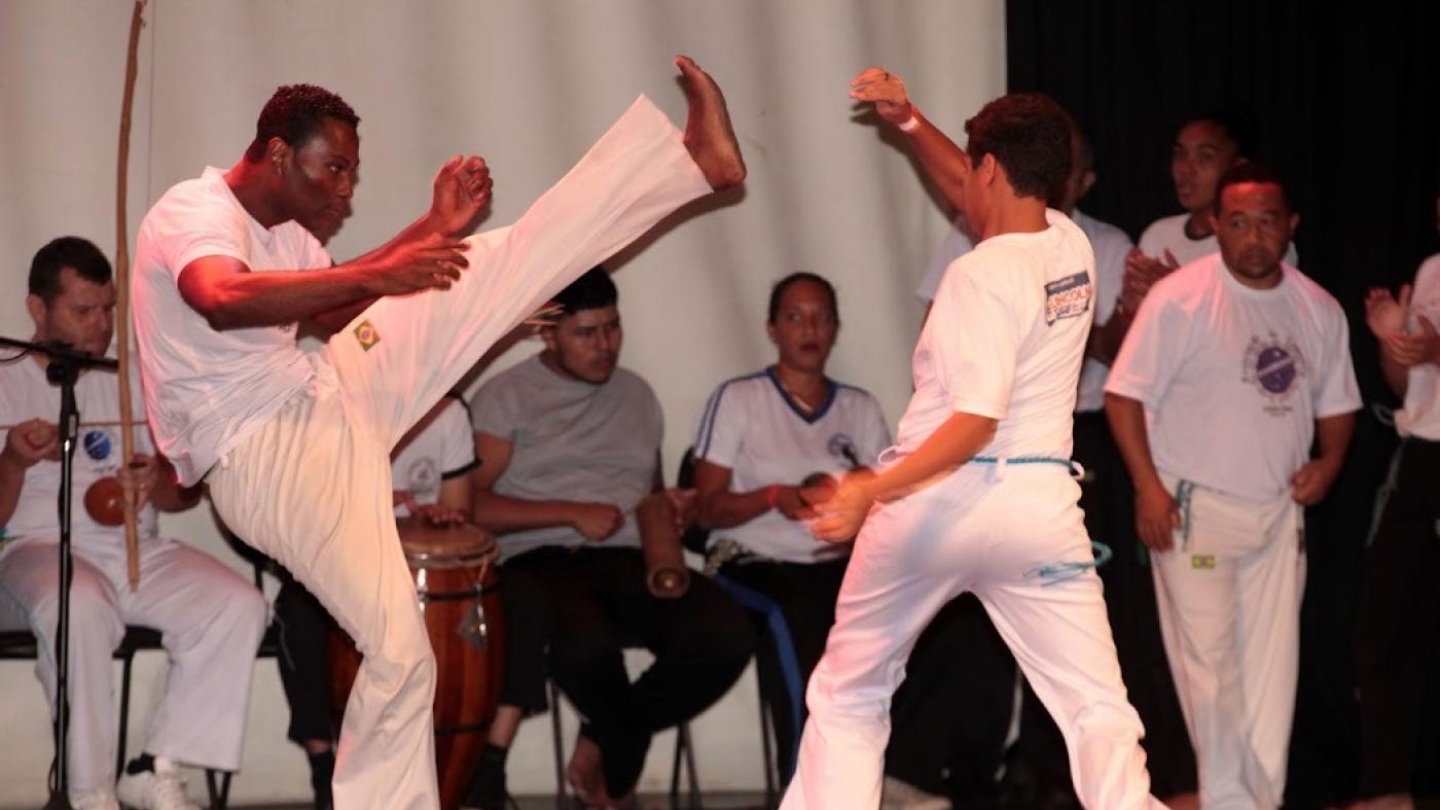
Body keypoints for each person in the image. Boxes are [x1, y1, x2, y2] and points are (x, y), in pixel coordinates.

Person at [129, 56, 746, 810]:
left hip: (322, 395)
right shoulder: (194, 211)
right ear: (279, 154)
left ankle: (689, 168)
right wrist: (382, 274)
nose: (345, 190)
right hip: (264, 456)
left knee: (476, 264)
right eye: (334, 169)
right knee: (400, 657)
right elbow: (221, 297)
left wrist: (432, 231)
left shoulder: (286, 236)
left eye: (353, 173)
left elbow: (334, 312)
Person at [779, 69, 1163, 810]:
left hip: (935, 502)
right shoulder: (1072, 246)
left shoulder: (977, 275)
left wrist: (868, 489)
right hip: (1039, 510)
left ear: (990, 167)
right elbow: (971, 185)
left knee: (852, 690)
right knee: (1096, 706)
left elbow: (974, 421)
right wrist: (908, 120)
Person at [1106, 162, 1360, 810]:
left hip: (1278, 515)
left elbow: (1338, 403)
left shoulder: (1318, 307)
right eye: (1238, 223)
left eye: (1266, 222)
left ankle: (1261, 800)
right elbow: (1123, 396)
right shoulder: (1180, 299)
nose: (1252, 237)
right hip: (1193, 510)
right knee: (1210, 670)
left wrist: (1330, 463)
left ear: (1290, 225)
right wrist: (1148, 489)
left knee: (1273, 672)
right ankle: (1227, 801)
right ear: (1216, 225)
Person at [466, 267, 754, 810]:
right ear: (546, 333)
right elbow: (469, 506)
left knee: (727, 633)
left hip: (627, 561)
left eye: (612, 327)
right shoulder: (506, 398)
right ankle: (617, 782)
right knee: (585, 649)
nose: (604, 346)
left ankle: (607, 736)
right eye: (585, 333)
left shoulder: (637, 395)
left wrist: (672, 509)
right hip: (542, 562)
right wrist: (569, 512)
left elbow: (650, 495)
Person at [0, 236, 267, 810]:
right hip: (34, 549)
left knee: (237, 605)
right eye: (84, 311)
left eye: (109, 309)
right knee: (80, 606)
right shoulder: (4, 377)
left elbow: (181, 496)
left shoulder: (138, 372)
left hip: (131, 548)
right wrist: (13, 463)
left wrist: (157, 482)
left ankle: (156, 767)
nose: (102, 326)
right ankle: (90, 791)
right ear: (37, 309)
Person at [689, 272, 891, 783]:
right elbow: (705, 510)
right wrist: (773, 497)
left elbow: (886, 505)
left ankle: (898, 775)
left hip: (837, 564)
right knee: (801, 617)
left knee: (930, 615)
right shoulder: (739, 399)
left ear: (836, 328)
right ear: (772, 329)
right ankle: (803, 788)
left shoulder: (859, 408)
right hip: (753, 562)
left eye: (821, 317)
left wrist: (849, 501)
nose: (810, 329)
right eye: (795, 317)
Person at [268, 393, 479, 810]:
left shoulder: (447, 410)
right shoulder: (325, 406)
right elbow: (295, 509)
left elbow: (459, 511)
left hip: (416, 567)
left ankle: (456, 770)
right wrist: (364, 506)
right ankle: (322, 764)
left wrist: (438, 517)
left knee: (487, 609)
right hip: (333, 557)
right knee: (297, 613)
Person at [1354, 192, 1440, 810]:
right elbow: (1408, 384)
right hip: (1422, 457)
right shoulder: (1432, 269)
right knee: (1385, 629)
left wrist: (1431, 348)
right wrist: (1395, 342)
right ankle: (1387, 791)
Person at [1128, 109, 1298, 310]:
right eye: (1180, 154)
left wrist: (1178, 291)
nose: (1186, 169)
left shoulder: (1263, 243)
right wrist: (1130, 306)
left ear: (1237, 167)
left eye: (1204, 157)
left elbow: (1255, 318)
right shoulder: (1158, 234)